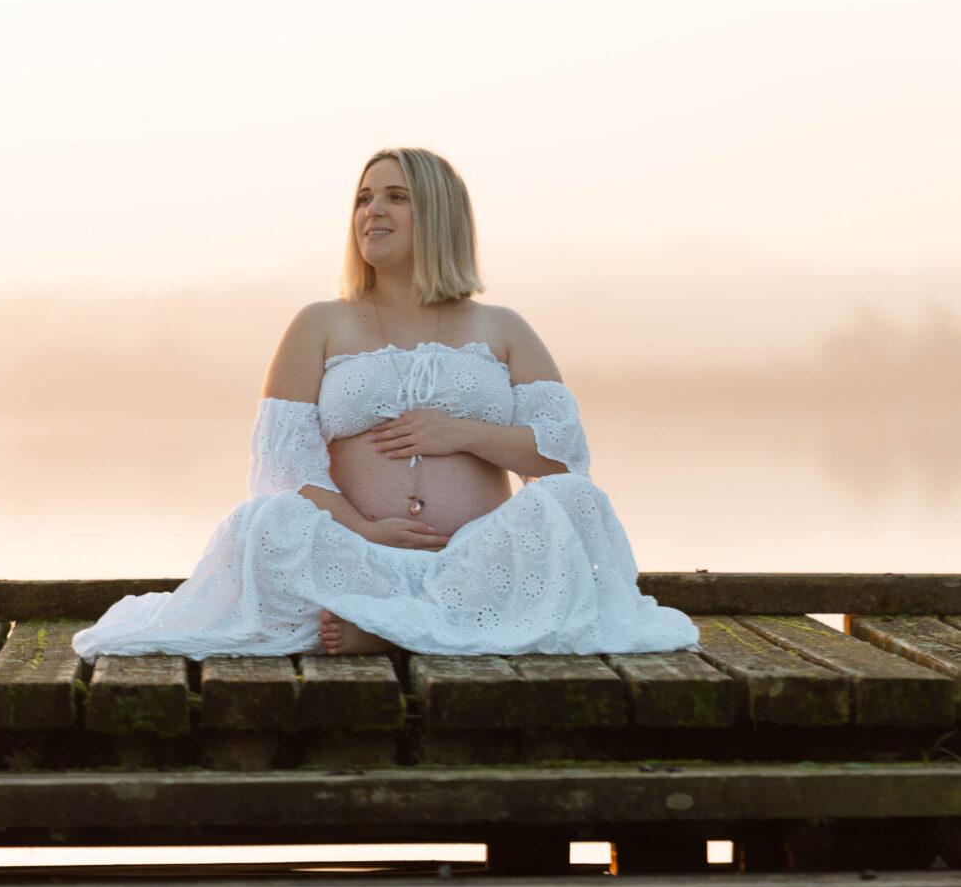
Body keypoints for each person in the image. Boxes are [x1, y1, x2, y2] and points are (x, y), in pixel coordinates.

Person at [71, 146, 699, 662]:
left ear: (440, 215)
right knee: (264, 519)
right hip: (357, 553)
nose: (372, 210)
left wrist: (462, 432)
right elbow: (284, 466)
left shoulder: (503, 327)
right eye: (363, 198)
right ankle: (409, 620)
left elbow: (561, 456)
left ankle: (397, 627)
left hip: (476, 561)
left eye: (395, 197)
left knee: (576, 501)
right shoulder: (319, 323)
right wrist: (364, 529)